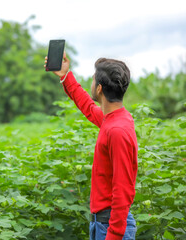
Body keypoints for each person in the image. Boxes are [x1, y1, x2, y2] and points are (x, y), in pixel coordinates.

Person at [44, 53, 138, 240]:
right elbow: (87, 105)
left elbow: (123, 189)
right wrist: (65, 76)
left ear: (100, 88)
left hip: (111, 227)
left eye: (94, 80)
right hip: (103, 223)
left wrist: (114, 235)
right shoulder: (112, 119)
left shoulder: (117, 130)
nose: (92, 84)